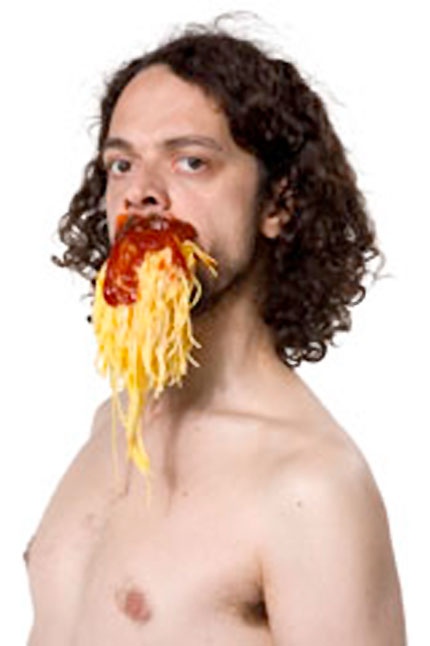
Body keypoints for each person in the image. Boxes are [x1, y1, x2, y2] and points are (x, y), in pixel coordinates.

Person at [25, 15, 407, 645]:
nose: (142, 193)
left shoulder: (311, 485)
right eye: (121, 164)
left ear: (279, 204)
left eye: (191, 162)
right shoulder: (111, 426)